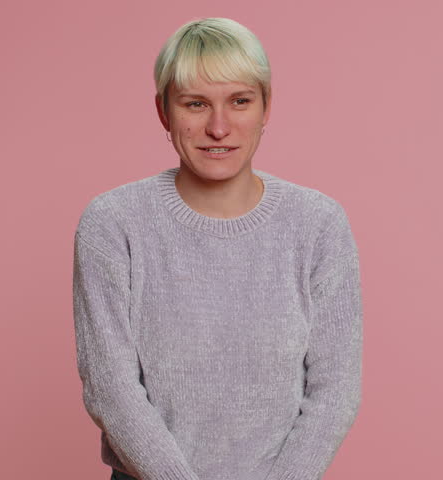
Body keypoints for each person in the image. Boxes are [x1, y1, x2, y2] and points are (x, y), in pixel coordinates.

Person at [73, 17, 363, 480]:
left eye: (240, 101)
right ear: (163, 112)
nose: (219, 127)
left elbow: (335, 391)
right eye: (195, 104)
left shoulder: (318, 224)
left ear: (266, 108)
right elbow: (111, 388)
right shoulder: (113, 223)